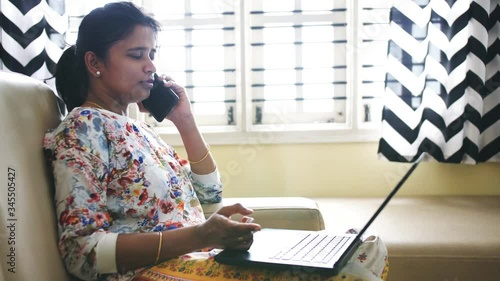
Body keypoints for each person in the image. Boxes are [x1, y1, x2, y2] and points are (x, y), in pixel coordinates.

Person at [43, 2, 388, 281]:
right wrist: (200, 236)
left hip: (197, 257)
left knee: (364, 248)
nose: (151, 66)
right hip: (150, 272)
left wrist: (185, 121)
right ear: (94, 62)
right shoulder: (84, 129)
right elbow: (82, 253)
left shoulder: (139, 130)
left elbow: (209, 194)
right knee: (350, 274)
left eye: (152, 53)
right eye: (136, 55)